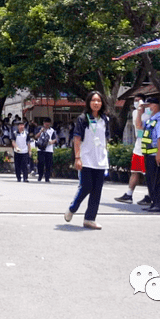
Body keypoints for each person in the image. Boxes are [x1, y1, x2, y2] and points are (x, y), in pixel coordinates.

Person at [65, 91, 112, 230]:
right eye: (93, 100)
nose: (96, 103)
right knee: (86, 186)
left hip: (100, 160)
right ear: (88, 102)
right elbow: (77, 139)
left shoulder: (105, 119)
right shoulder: (82, 119)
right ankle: (72, 208)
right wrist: (77, 158)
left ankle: (90, 219)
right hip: (86, 159)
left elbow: (105, 139)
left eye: (99, 101)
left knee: (97, 190)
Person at [115, 96, 153, 206]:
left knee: (148, 173)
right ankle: (129, 194)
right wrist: (139, 112)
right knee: (135, 171)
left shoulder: (150, 113)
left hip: (147, 146)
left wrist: (142, 112)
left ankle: (150, 195)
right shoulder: (135, 112)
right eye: (135, 100)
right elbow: (137, 129)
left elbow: (140, 127)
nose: (137, 102)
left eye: (139, 100)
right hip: (138, 146)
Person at [140, 96, 160, 213]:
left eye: (149, 106)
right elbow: (138, 125)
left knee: (158, 180)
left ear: (155, 106)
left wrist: (159, 154)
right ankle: (154, 202)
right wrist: (139, 112)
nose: (148, 108)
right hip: (149, 155)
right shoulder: (150, 120)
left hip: (156, 155)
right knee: (151, 180)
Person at [36, 117, 56, 183]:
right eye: (45, 123)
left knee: (48, 164)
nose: (46, 125)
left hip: (49, 149)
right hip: (41, 149)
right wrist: (41, 131)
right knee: (40, 163)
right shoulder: (39, 129)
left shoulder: (52, 130)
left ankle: (47, 177)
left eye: (48, 124)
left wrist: (51, 142)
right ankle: (40, 176)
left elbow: (55, 139)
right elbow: (36, 137)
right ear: (43, 123)